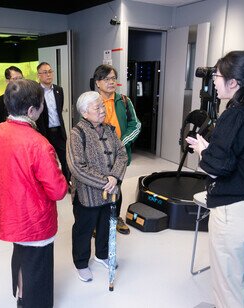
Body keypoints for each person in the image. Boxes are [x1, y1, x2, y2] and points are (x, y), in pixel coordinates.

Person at [186, 50, 244, 308]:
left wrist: (203, 150)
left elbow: (215, 169)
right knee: (240, 278)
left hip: (237, 213)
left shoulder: (236, 115)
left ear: (233, 82)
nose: (213, 82)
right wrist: (213, 149)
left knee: (230, 288)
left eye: (216, 76)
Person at [0, 79, 67, 308]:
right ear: (32, 110)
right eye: (42, 104)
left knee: (20, 256)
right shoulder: (38, 143)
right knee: (37, 265)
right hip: (34, 218)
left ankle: (21, 297)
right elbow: (58, 190)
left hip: (9, 211)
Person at [67, 91, 128, 282]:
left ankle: (102, 255)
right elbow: (77, 167)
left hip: (110, 191)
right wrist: (105, 181)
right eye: (98, 107)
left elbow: (122, 154)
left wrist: (115, 177)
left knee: (106, 225)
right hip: (87, 193)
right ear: (85, 113)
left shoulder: (109, 129)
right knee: (83, 230)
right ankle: (81, 263)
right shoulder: (76, 133)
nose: (103, 110)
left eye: (102, 105)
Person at [93, 64, 141, 235]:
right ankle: (97, 223)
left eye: (113, 78)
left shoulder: (124, 101)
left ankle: (115, 218)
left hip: (120, 157)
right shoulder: (91, 102)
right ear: (98, 82)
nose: (111, 82)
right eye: (106, 79)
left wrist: (121, 144)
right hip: (98, 157)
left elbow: (135, 125)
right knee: (98, 190)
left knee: (117, 189)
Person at [35, 62, 70, 183]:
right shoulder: (36, 92)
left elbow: (58, 111)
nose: (48, 74)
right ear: (39, 75)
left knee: (66, 159)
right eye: (45, 72)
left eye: (50, 71)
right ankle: (51, 184)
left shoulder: (59, 90)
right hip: (44, 133)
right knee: (48, 161)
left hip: (59, 131)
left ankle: (67, 182)